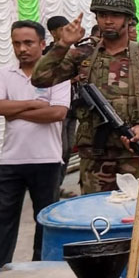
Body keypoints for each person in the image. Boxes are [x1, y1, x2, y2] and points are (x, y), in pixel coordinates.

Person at [32, 0, 139, 194]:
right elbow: (40, 79)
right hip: (94, 154)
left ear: (129, 20)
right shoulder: (83, 53)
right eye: (102, 15)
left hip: (133, 152)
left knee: (137, 213)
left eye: (115, 15)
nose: (108, 21)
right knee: (96, 215)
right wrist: (62, 45)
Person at [0, 21, 70, 267]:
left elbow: (57, 113)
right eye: (17, 43)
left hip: (46, 160)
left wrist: (13, 110)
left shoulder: (58, 75)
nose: (22, 48)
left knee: (44, 222)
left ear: (43, 44)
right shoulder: (6, 73)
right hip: (11, 160)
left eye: (28, 43)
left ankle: (39, 271)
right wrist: (33, 104)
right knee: (3, 220)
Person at [44, 15, 78, 198]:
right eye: (63, 28)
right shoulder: (49, 54)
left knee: (68, 148)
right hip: (56, 109)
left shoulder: (72, 52)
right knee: (59, 149)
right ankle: (52, 188)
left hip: (72, 107)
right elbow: (47, 78)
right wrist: (71, 79)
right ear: (53, 32)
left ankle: (58, 185)